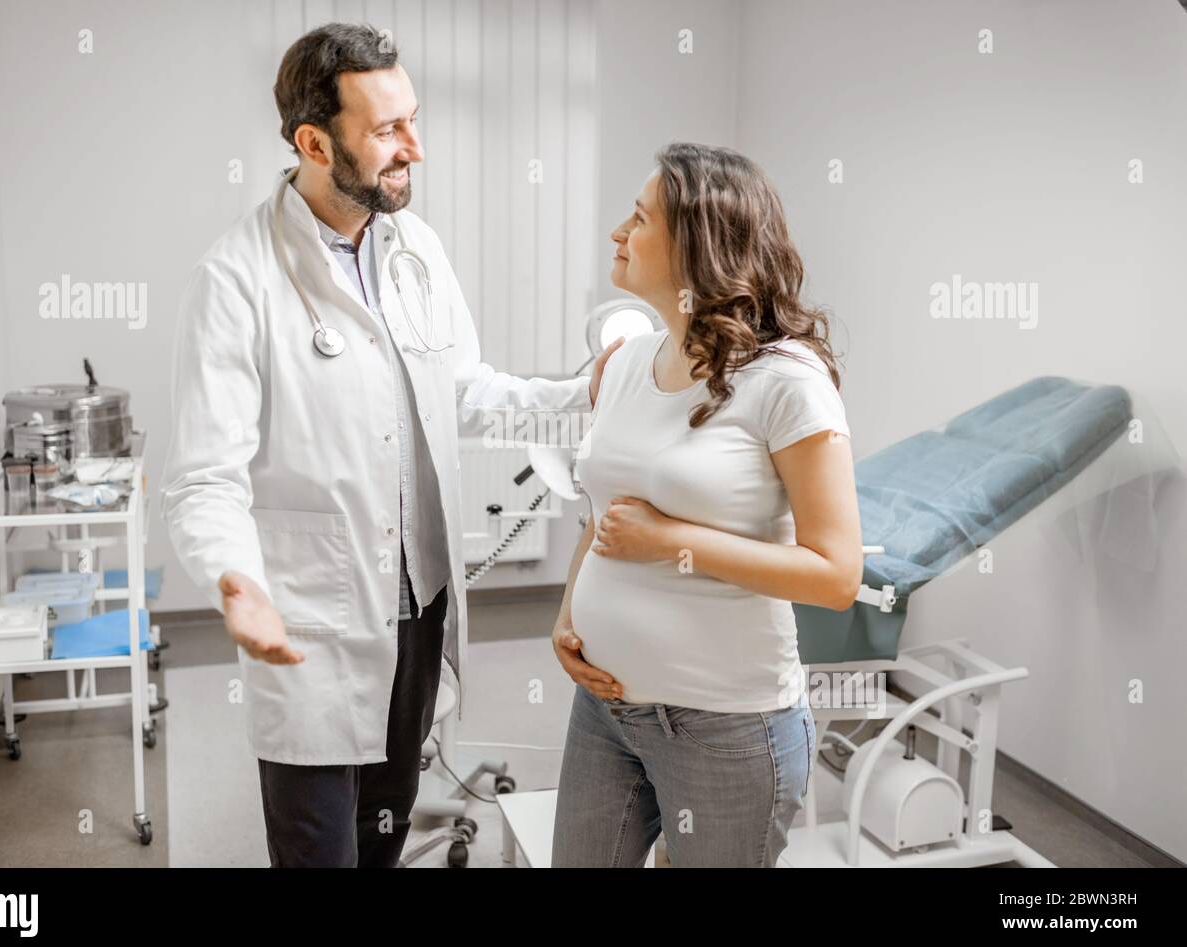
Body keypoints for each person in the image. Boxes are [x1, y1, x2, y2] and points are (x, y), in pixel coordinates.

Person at [161, 22, 618, 867]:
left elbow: (466, 392)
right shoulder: (236, 280)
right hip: (313, 623)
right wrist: (237, 583)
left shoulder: (417, 250)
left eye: (413, 118)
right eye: (387, 130)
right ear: (313, 140)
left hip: (421, 603)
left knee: (386, 828)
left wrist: (579, 391)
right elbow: (203, 480)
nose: (416, 146)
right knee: (319, 847)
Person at [550, 142, 863, 867]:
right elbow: (605, 510)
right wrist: (570, 612)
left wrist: (669, 540)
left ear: (698, 243)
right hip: (606, 707)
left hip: (727, 725)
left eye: (638, 217)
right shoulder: (625, 363)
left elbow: (835, 573)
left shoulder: (788, 382)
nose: (617, 233)